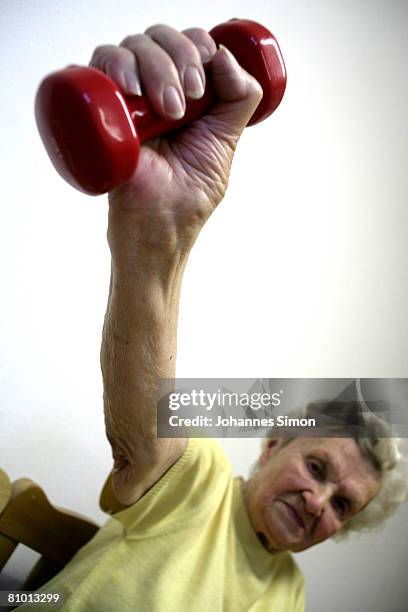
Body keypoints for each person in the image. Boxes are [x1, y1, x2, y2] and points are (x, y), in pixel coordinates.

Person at [21, 23, 407, 612]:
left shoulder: (291, 594)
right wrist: (155, 235)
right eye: (316, 465)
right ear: (274, 442)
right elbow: (142, 424)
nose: (318, 501)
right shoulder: (196, 476)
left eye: (343, 505)